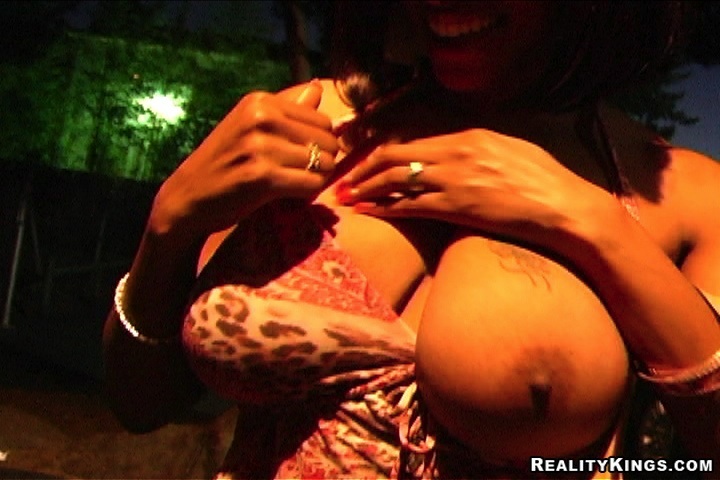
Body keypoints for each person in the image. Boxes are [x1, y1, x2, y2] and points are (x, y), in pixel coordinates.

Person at [102, 1, 720, 478]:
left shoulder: (686, 196)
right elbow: (141, 404)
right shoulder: (309, 123)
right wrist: (170, 224)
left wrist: (591, 223)